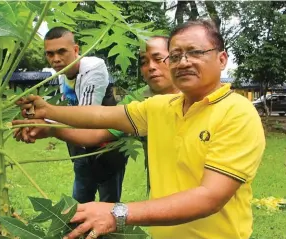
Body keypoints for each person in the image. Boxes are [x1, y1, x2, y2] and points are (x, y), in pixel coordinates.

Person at [17, 20, 265, 239]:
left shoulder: (237, 112)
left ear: (222, 59)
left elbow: (210, 197)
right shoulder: (160, 106)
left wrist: (117, 212)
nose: (183, 62)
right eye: (175, 56)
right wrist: (46, 112)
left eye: (195, 52)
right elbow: (102, 115)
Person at [13, 36, 179, 194]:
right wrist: (51, 128)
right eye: (143, 62)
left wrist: (48, 112)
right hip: (161, 194)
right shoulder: (137, 100)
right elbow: (97, 126)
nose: (150, 67)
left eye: (158, 59)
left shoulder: (197, 96)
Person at [16, 26, 129, 204]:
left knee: (109, 206)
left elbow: (85, 117)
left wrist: (45, 121)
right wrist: (32, 119)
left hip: (109, 148)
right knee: (79, 204)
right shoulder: (62, 75)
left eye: (62, 52)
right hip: (81, 149)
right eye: (50, 54)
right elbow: (63, 108)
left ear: (76, 50)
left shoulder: (94, 68)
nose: (56, 59)